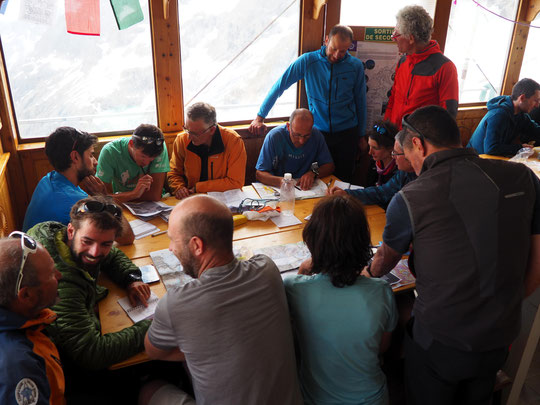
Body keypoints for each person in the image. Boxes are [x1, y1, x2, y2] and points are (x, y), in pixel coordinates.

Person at [366, 105, 540, 404]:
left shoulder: (411, 196)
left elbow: (383, 263)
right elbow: (537, 257)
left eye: (406, 153)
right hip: (501, 333)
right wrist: (507, 303)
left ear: (418, 144)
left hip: (441, 339)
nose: (408, 161)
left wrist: (366, 271)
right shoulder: (522, 176)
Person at [140, 195, 303, 405]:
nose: (171, 248)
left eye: (173, 239)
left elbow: (152, 351)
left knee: (149, 390)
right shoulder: (267, 269)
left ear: (197, 245)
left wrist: (197, 349)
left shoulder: (176, 303)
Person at [284, 195, 398, 404]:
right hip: (372, 398)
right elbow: (381, 347)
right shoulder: (382, 291)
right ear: (363, 243)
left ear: (312, 241)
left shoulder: (294, 288)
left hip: (316, 399)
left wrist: (303, 268)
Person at [27, 195, 151, 373]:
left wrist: (131, 278)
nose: (95, 252)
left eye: (106, 244)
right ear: (71, 231)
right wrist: (153, 326)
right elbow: (91, 353)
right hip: (64, 369)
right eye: (87, 242)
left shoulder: (60, 236)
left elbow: (113, 256)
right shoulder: (59, 283)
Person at [249, 25, 367, 183]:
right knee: (314, 173)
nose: (337, 55)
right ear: (326, 40)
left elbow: (361, 101)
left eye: (343, 51)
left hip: (347, 134)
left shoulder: (355, 66)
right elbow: (280, 85)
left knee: (343, 181)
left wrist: (360, 135)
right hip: (319, 133)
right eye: (334, 48)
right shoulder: (308, 61)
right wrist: (260, 117)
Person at [23, 126, 134, 244]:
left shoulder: (48, 180)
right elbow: (127, 237)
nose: (95, 161)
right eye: (91, 155)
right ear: (75, 157)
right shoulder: (74, 200)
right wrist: (104, 197)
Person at [0, 235, 64, 405]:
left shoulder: (25, 318)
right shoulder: (18, 366)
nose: (59, 275)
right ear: (26, 294)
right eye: (51, 273)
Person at [385, 5, 458, 127]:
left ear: (411, 38)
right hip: (395, 139)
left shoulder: (445, 68)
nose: (394, 39)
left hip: (419, 143)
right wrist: (386, 128)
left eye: (396, 35)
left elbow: (448, 117)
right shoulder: (403, 61)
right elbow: (393, 99)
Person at [168, 102, 247, 199]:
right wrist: (179, 188)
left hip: (223, 199)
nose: (189, 137)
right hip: (190, 197)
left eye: (195, 134)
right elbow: (174, 172)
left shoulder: (233, 141)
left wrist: (198, 187)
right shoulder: (181, 139)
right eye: (187, 130)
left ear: (212, 130)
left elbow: (235, 182)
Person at [328, 134, 417, 209]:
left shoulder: (421, 180)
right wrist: (347, 194)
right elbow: (382, 192)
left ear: (409, 155)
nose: (393, 157)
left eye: (396, 153)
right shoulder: (404, 173)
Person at [255, 108, 334, 190]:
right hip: (278, 189)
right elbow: (260, 173)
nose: (301, 141)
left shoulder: (316, 135)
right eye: (297, 135)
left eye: (306, 136)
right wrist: (280, 181)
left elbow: (329, 166)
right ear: (288, 127)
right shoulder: (275, 137)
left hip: (305, 190)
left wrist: (313, 173)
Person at [96, 124, 170, 203]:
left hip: (152, 204)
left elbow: (155, 196)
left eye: (152, 160)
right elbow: (102, 197)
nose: (147, 163)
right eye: (143, 157)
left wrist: (122, 197)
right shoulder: (110, 152)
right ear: (131, 144)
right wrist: (134, 194)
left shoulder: (159, 148)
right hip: (123, 204)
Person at [467, 78, 540, 156]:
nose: (537, 105)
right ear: (522, 98)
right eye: (535, 100)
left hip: (493, 159)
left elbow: (536, 131)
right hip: (476, 160)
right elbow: (491, 149)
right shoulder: (498, 115)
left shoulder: (521, 115)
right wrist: (520, 148)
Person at [366, 121, 399, 186]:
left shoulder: (399, 170)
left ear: (391, 148)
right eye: (369, 146)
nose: (370, 152)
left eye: (375, 148)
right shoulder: (375, 162)